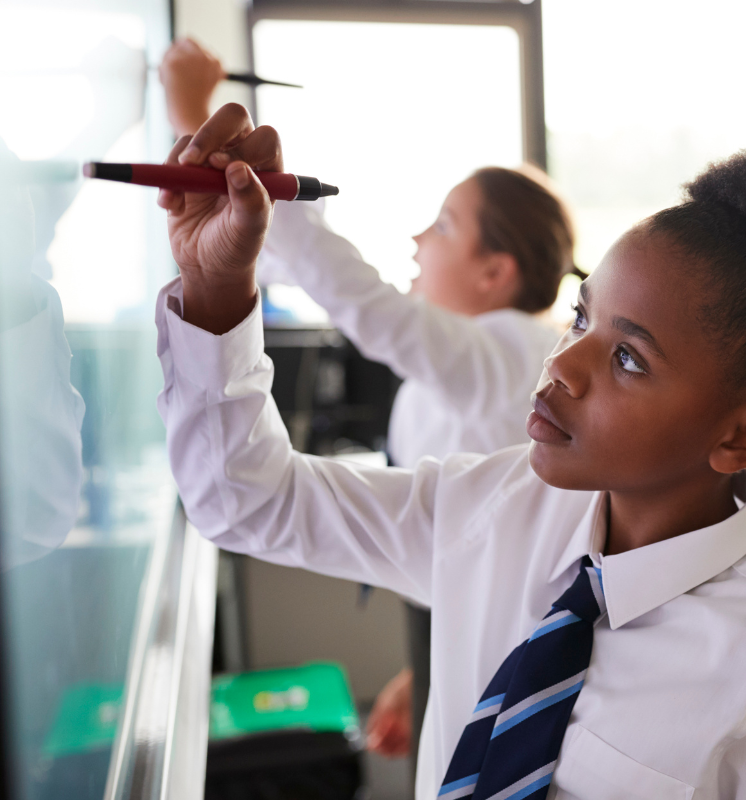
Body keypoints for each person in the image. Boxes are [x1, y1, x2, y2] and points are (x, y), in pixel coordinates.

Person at [155, 104, 746, 798]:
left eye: (628, 359)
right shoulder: (494, 506)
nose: (562, 365)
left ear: (742, 437)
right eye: (582, 318)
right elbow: (244, 503)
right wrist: (216, 285)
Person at [159, 38, 578, 767]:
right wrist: (422, 669)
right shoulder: (459, 370)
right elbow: (472, 549)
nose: (418, 238)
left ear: (494, 272)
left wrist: (197, 118)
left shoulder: (513, 351)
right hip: (463, 605)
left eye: (444, 224)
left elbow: (362, 302)